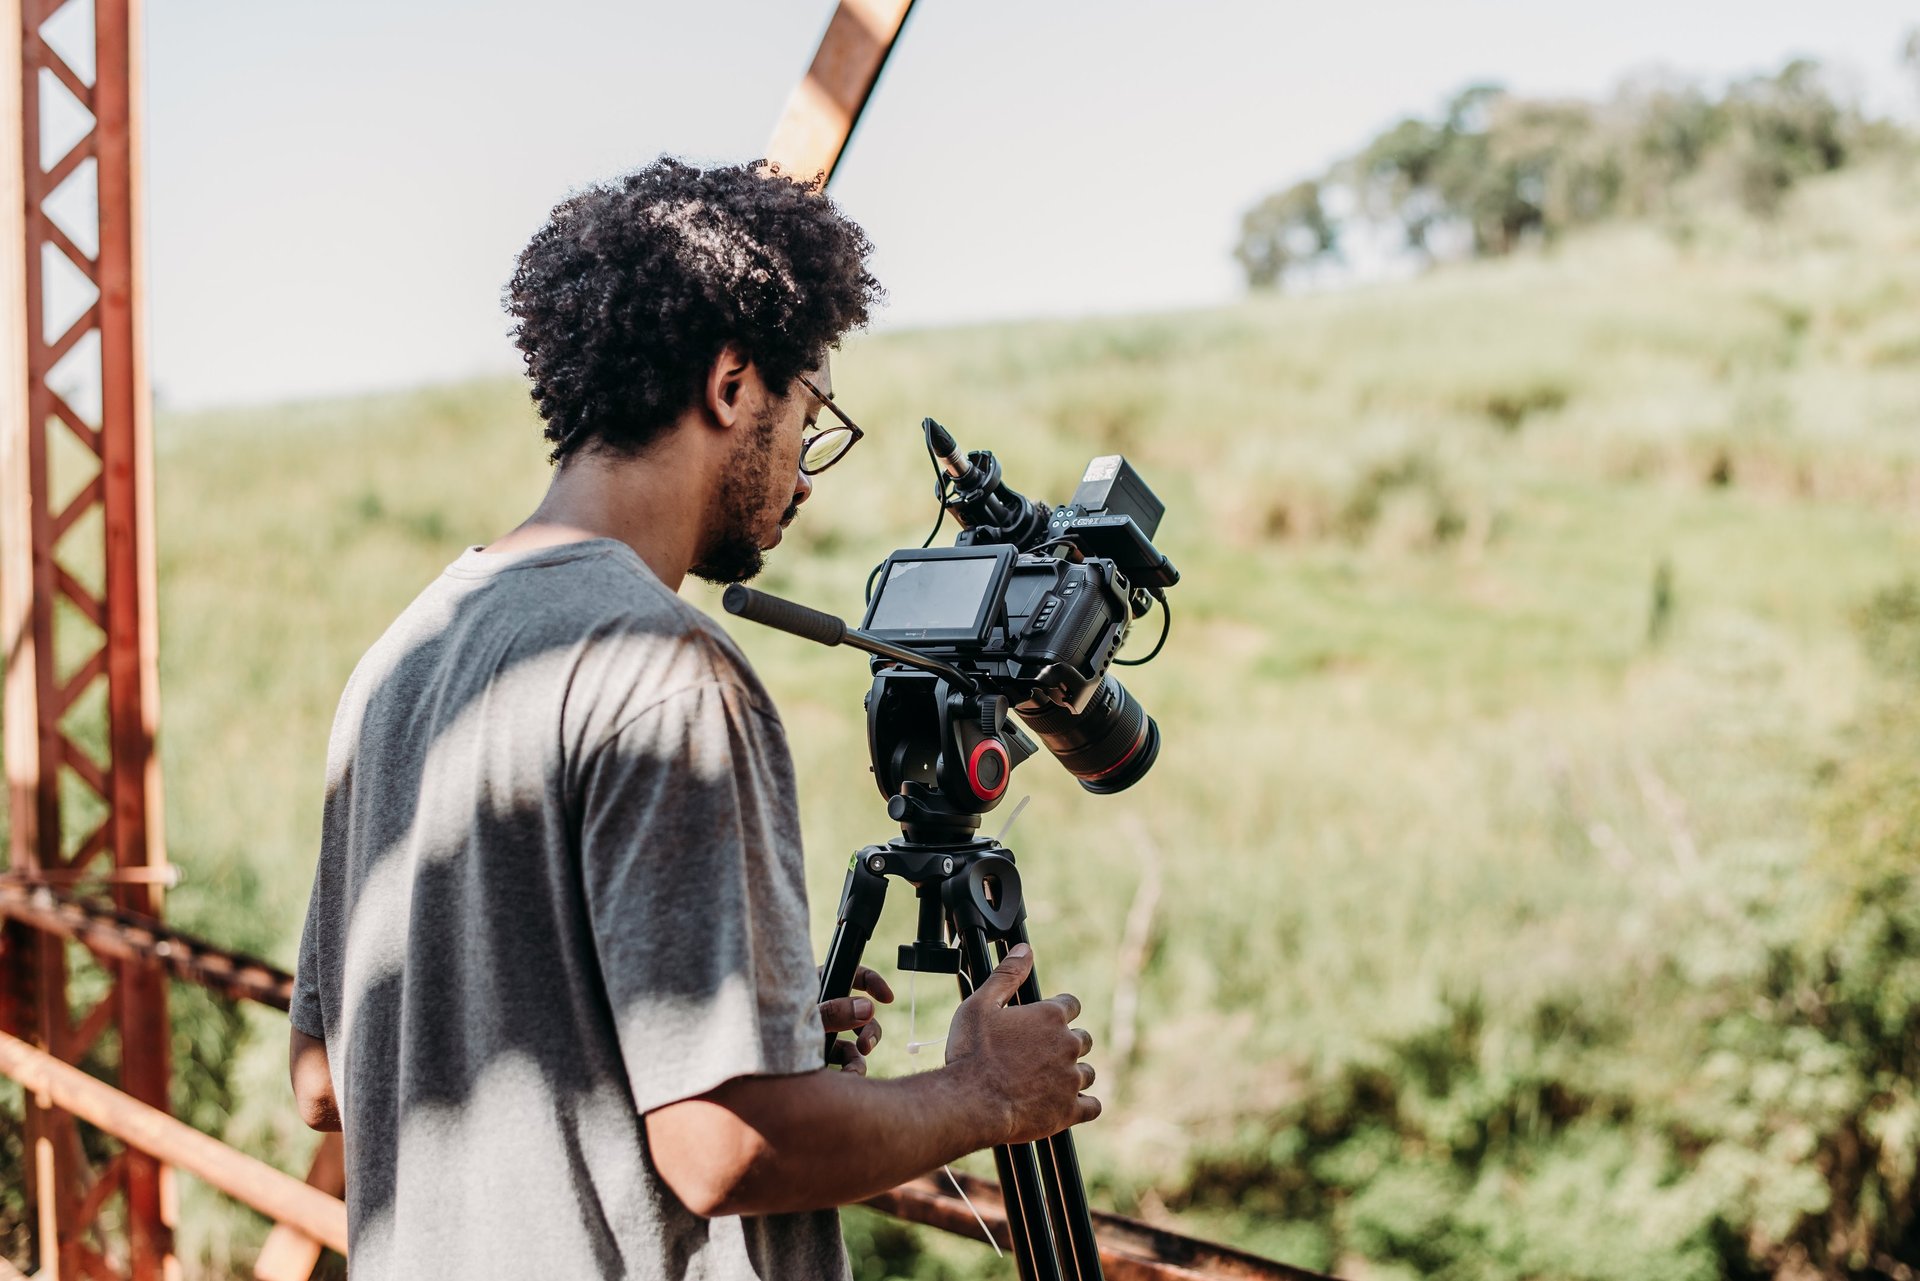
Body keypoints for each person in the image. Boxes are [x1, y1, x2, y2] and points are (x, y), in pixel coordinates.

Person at [286, 157, 1099, 1280]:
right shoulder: (669, 673)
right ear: (732, 385)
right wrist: (982, 1092)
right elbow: (719, 1147)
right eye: (808, 417)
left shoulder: (403, 654)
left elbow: (326, 1079)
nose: (804, 480)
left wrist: (731, 1048)